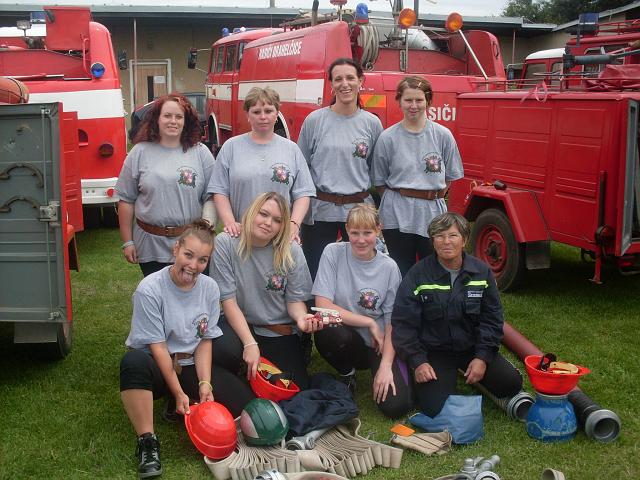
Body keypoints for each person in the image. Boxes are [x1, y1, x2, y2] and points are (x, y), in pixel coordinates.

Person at [119, 220, 254, 479]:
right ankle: (148, 440)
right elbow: (157, 347)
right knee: (132, 362)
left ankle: (179, 404)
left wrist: (205, 383)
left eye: (202, 260)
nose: (193, 266)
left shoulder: (210, 288)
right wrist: (179, 390)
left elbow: (204, 340)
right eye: (188, 255)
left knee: (245, 407)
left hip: (190, 362)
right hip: (156, 364)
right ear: (175, 249)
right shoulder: (149, 289)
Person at [391, 212, 522, 418]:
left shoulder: (481, 272)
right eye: (439, 236)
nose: (446, 242)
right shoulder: (417, 275)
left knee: (511, 384)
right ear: (432, 241)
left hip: (471, 348)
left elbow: (492, 318)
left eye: (453, 236)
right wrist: (418, 361)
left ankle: (472, 370)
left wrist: (482, 357)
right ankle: (425, 378)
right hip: (435, 352)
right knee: (435, 408)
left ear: (465, 240)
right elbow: (403, 324)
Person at [211, 192, 320, 390]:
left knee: (295, 389)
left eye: (277, 220)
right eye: (263, 214)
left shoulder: (291, 249)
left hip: (276, 329)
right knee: (223, 349)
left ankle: (295, 348)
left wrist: (302, 318)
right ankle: (240, 369)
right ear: (252, 212)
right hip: (239, 326)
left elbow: (294, 300)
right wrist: (249, 343)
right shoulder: (226, 243)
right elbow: (228, 301)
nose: (268, 223)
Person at [312, 204, 412, 418]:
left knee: (397, 407)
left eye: (367, 233)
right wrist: (368, 322)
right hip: (345, 335)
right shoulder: (333, 252)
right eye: (355, 232)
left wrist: (385, 365)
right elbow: (322, 305)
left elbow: (393, 320)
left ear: (378, 230)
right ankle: (348, 374)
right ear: (346, 229)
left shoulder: (390, 267)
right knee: (326, 327)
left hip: (378, 343)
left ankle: (383, 368)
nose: (360, 240)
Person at [298, 58, 383, 279]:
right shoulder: (314, 121)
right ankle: (313, 313)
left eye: (350, 78)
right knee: (315, 271)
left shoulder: (372, 124)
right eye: (338, 79)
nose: (344, 84)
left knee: (357, 271)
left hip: (357, 212)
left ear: (360, 81)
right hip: (320, 211)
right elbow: (302, 167)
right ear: (331, 84)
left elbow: (377, 170)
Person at [116, 93, 216, 277]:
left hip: (192, 244)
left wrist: (205, 232)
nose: (173, 121)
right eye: (167, 116)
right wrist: (128, 242)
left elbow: (212, 196)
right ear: (157, 119)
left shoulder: (201, 153)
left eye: (179, 117)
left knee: (192, 297)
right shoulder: (139, 152)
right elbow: (126, 200)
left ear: (186, 121)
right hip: (150, 245)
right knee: (159, 298)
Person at [372, 76, 463, 276]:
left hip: (432, 214)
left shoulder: (442, 135)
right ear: (399, 101)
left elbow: (449, 177)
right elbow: (380, 181)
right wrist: (402, 196)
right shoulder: (388, 138)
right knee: (400, 270)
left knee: (433, 269)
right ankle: (402, 307)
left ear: (428, 101)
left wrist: (430, 195)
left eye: (419, 100)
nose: (414, 106)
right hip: (396, 214)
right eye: (408, 100)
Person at [208, 87, 315, 243]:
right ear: (247, 115)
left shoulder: (291, 149)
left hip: (279, 239)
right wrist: (230, 222)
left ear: (277, 114)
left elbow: (303, 193)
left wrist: (294, 224)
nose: (263, 117)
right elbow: (219, 190)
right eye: (256, 112)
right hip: (241, 236)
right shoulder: (231, 147)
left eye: (268, 111)